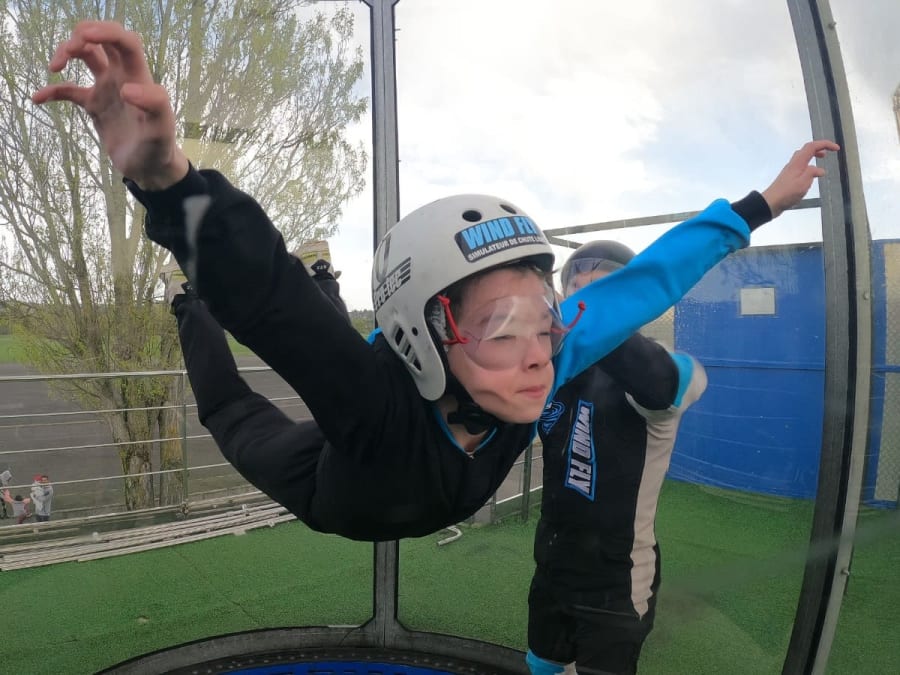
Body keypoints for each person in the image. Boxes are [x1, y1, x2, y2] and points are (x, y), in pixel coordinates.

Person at [32, 20, 839, 541]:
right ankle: (183, 303)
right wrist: (166, 180)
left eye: (545, 316)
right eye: (501, 328)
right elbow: (267, 299)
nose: (537, 352)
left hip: (395, 448)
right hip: (336, 485)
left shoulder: (547, 354)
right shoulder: (375, 399)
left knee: (325, 330)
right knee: (230, 403)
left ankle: (311, 280)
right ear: (425, 338)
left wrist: (763, 202)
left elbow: (650, 280)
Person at [526, 241, 708, 675]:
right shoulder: (555, 372)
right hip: (552, 567)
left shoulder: (670, 370)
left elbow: (663, 384)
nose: (584, 302)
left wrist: (595, 320)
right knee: (541, 667)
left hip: (617, 578)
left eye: (603, 292)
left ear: (633, 301)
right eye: (576, 290)